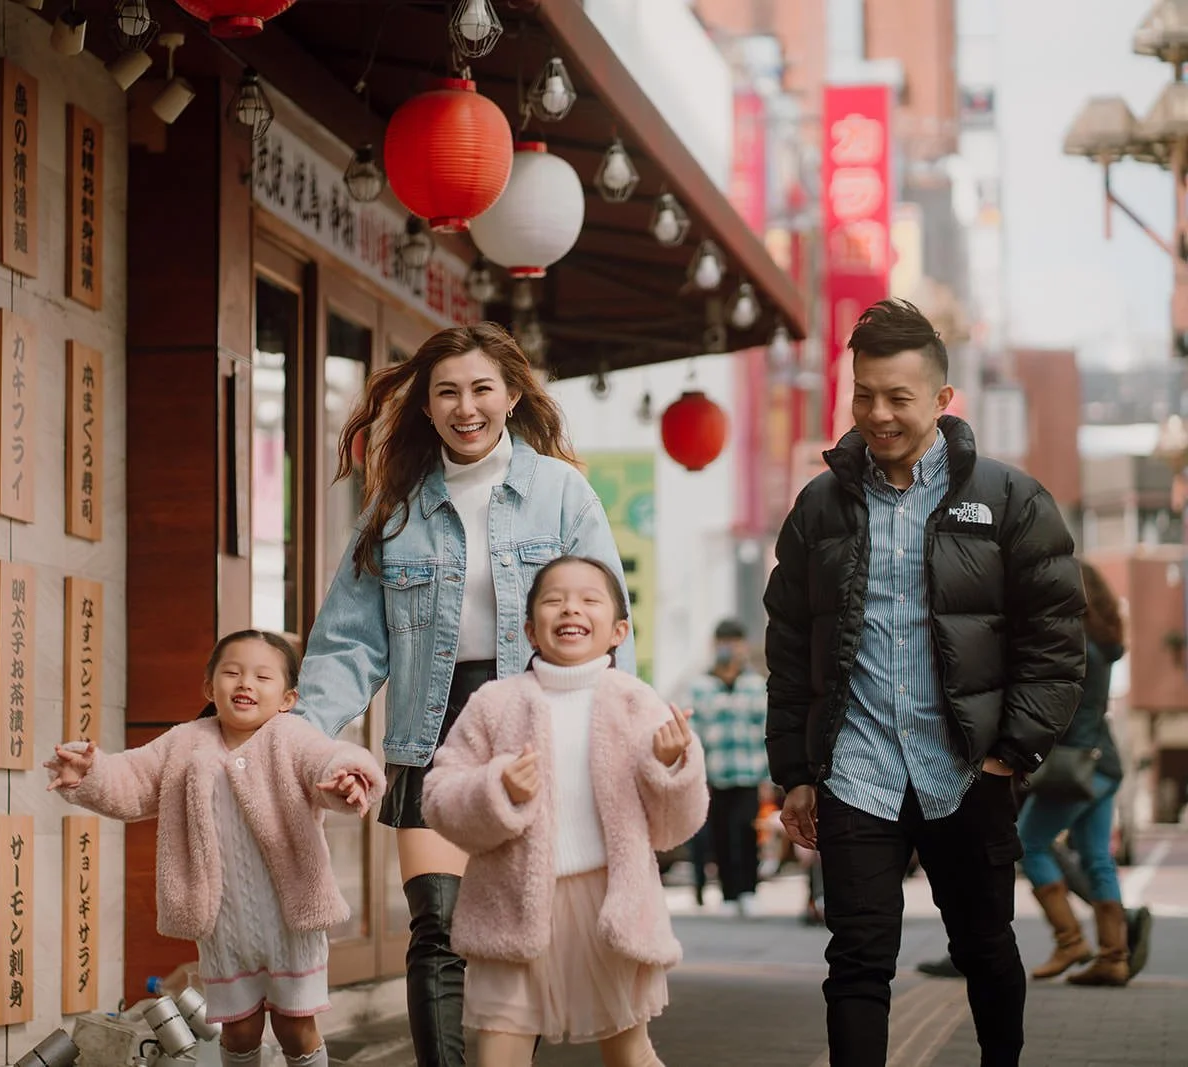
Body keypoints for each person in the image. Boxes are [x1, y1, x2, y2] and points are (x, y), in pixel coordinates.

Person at [293, 322, 633, 1067]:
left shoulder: (562, 493)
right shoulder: (396, 507)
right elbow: (351, 641)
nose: (465, 406)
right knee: (439, 927)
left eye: (482, 388)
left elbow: (608, 621)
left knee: (518, 927)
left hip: (535, 729)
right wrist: (300, 737)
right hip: (433, 728)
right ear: (426, 406)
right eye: (447, 391)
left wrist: (616, 741)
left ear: (511, 394)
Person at [763, 299, 1086, 1067]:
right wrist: (799, 773)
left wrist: (1011, 753)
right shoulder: (820, 507)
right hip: (858, 769)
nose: (878, 414)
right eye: (864, 395)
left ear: (942, 401)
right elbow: (790, 645)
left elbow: (1057, 639)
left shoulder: (1009, 500)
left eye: (898, 398)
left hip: (966, 767)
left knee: (985, 945)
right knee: (857, 959)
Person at [46, 630, 386, 1067]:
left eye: (263, 677)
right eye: (232, 672)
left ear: (287, 698)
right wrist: (90, 774)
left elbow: (326, 757)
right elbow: (133, 779)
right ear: (210, 687)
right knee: (239, 1029)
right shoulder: (184, 742)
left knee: (294, 1024)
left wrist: (349, 776)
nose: (246, 683)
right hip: (225, 926)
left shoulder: (291, 736)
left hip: (290, 921)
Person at [421, 557, 706, 1067]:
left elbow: (673, 828)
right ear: (529, 629)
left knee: (628, 1053)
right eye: (554, 599)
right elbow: (439, 797)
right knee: (498, 1053)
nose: (571, 607)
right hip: (511, 902)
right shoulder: (494, 703)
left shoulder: (639, 703)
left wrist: (671, 766)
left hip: (608, 904)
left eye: (589, 599)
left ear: (619, 630)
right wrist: (496, 787)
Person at [1016, 560, 1151, 986]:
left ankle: (1070, 939)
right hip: (1104, 762)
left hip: (1075, 764)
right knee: (1097, 859)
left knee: (1028, 841)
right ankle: (1113, 957)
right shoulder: (1104, 639)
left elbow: (1055, 708)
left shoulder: (1072, 642)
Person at [685, 618, 770, 917]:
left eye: (734, 642)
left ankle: (749, 890)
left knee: (746, 832)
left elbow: (766, 731)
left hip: (749, 773)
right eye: (723, 641)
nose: (729, 648)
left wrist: (769, 777)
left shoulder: (755, 685)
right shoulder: (700, 686)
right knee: (720, 834)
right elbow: (693, 733)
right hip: (716, 775)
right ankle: (728, 894)